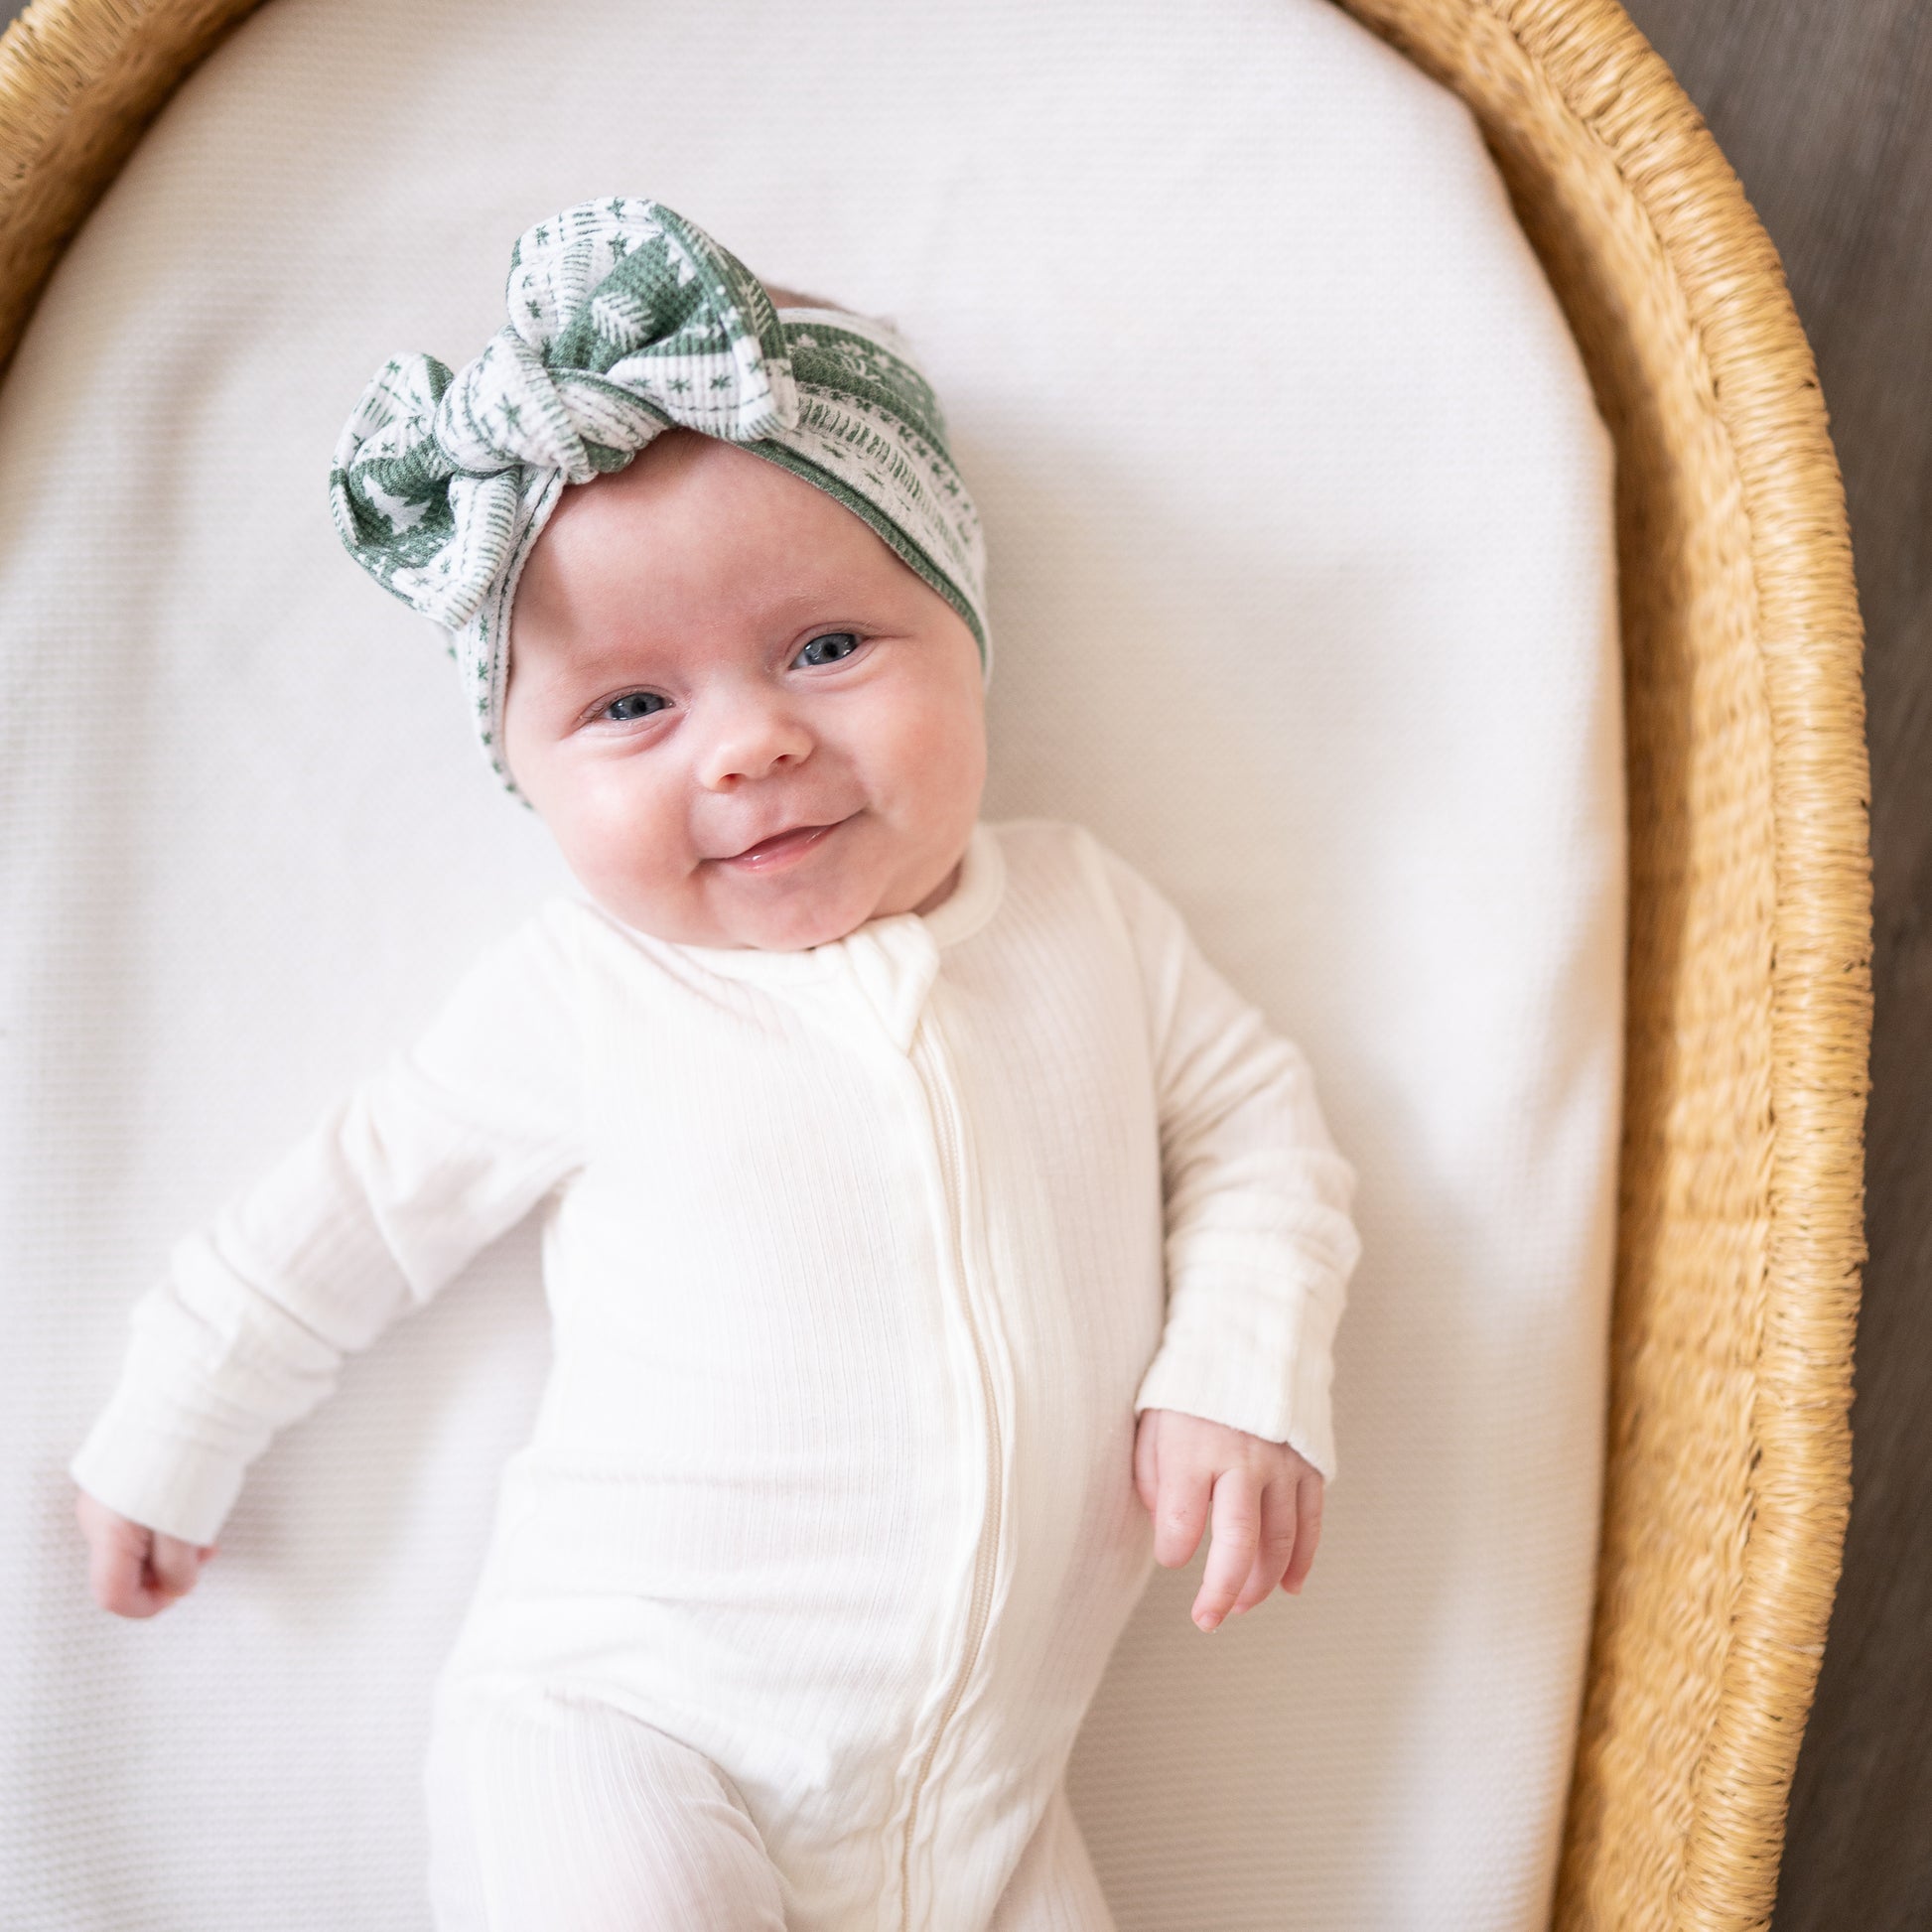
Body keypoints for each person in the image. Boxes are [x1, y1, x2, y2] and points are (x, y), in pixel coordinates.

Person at [69, 198, 1360, 1932]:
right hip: (629, 1727)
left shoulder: (1085, 919)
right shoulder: (587, 993)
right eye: (627, 708)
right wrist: (173, 1420)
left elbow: (1254, 1128)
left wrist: (1242, 1359)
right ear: (525, 771)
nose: (752, 741)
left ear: (965, 627)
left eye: (826, 647)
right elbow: (360, 1203)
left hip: (983, 1801)